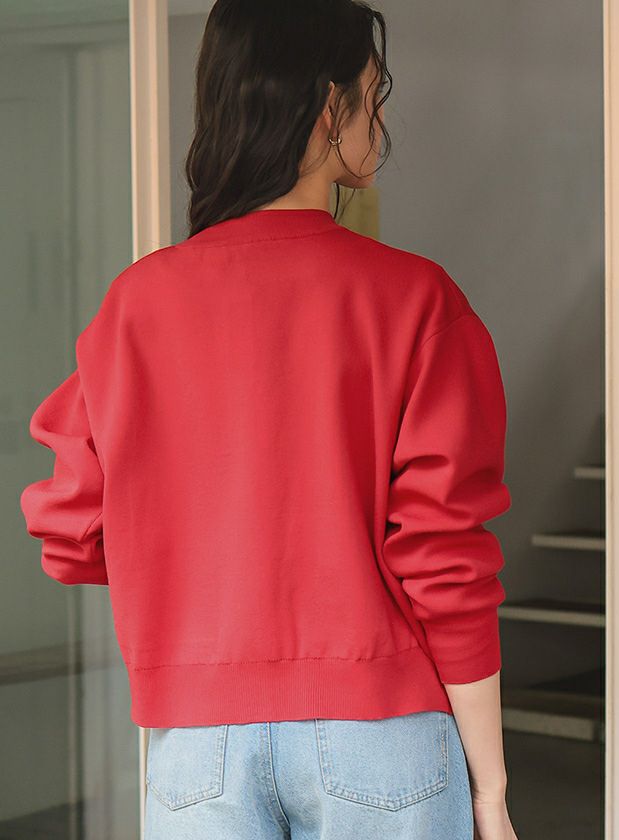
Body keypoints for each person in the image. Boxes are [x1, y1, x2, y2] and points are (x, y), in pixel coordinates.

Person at [20, 1, 518, 838]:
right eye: (374, 93)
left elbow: (71, 532)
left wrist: (196, 570)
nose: (382, 116)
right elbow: (446, 559)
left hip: (197, 747)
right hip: (381, 731)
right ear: (328, 107)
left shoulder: (137, 306)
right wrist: (491, 789)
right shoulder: (417, 301)